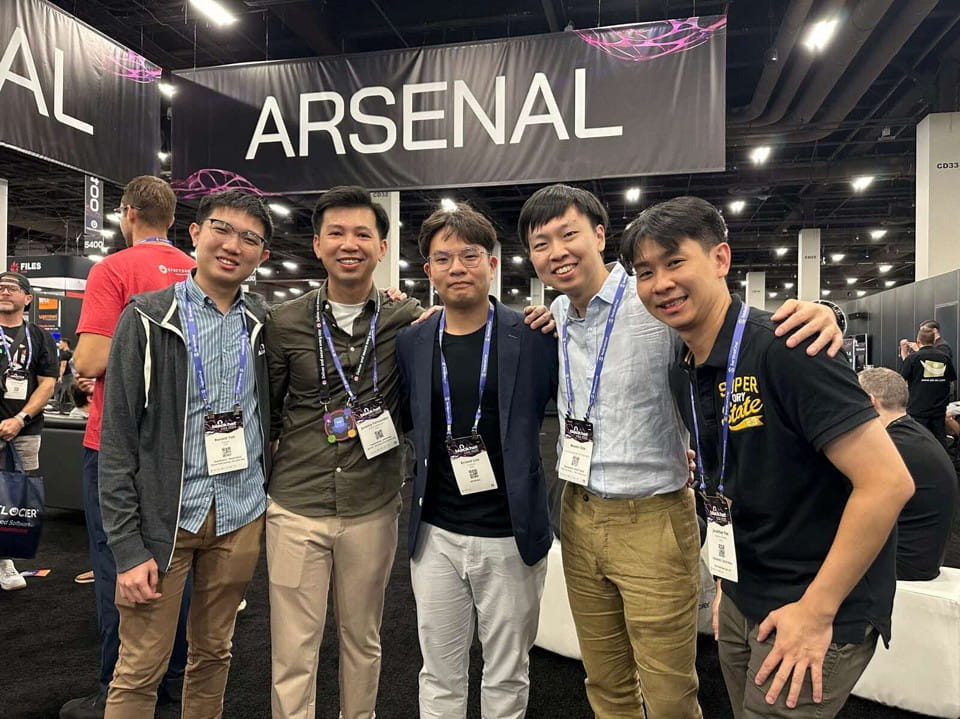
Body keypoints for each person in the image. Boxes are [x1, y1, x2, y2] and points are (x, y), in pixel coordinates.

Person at [517, 184, 843, 718]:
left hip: (653, 518)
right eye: (540, 243)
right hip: (577, 512)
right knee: (603, 680)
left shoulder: (653, 299)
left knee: (669, 690)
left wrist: (824, 313)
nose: (556, 252)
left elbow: (735, 328)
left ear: (599, 236)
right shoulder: (556, 312)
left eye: (568, 234)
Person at [623, 195, 914, 718]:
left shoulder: (787, 347)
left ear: (720, 260)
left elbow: (888, 483)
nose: (659, 283)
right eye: (644, 271)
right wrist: (728, 588)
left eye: (674, 261)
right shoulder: (684, 364)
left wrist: (817, 612)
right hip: (743, 593)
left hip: (816, 601)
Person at [98, 190, 272, 717]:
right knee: (140, 667)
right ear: (194, 234)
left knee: (215, 652)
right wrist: (126, 549)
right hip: (164, 521)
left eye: (250, 238)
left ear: (262, 254)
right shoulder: (148, 318)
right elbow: (118, 440)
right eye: (222, 228)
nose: (233, 244)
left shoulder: (264, 324)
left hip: (239, 514)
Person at [264, 186, 423, 719]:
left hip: (372, 506)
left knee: (363, 640)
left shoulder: (408, 319)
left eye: (362, 234)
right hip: (295, 505)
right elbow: (269, 409)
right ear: (317, 244)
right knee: (293, 652)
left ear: (382, 248)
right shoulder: (285, 322)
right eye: (337, 233)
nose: (349, 243)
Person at [396, 203, 557, 718]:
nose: (457, 268)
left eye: (470, 256)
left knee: (507, 672)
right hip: (437, 534)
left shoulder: (534, 335)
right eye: (444, 259)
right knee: (438, 673)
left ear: (493, 263)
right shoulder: (414, 340)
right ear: (428, 271)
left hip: (510, 534)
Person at [63, 175, 196, 719]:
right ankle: (174, 692)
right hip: (184, 448)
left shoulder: (113, 269)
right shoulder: (196, 270)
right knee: (177, 567)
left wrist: (76, 367)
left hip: (116, 444)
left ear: (127, 214)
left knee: (119, 563)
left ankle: (115, 694)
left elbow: (91, 362)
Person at [858, 367, 957, 581]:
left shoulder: (892, 447)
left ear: (869, 401)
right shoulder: (914, 434)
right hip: (923, 557)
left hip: (906, 565)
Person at [0, 271, 58, 591]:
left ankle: (5, 561)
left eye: (12, 288)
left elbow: (47, 384)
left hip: (24, 429)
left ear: (28, 298)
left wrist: (20, 418)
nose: (4, 291)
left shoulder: (39, 337)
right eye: (0, 287)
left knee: (13, 498)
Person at [901, 325, 956, 445]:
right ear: (933, 340)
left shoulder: (913, 358)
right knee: (939, 441)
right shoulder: (944, 357)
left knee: (918, 442)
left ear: (918, 341)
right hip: (939, 408)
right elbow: (951, 378)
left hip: (918, 408)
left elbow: (902, 379)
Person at [56, 338, 76, 412]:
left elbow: (63, 366)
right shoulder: (71, 353)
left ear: (65, 343)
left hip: (66, 375)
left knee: (62, 391)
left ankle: (60, 407)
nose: (59, 345)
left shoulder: (64, 354)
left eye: (60, 343)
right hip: (71, 374)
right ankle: (73, 407)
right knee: (69, 391)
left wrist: (60, 376)